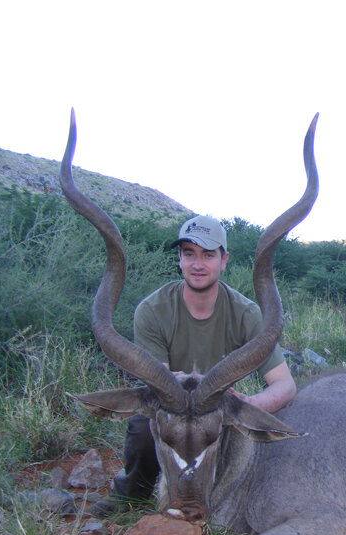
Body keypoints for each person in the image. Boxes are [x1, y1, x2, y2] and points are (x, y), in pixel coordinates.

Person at [92, 215, 297, 516]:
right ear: (179, 259)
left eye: (207, 255)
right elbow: (160, 387)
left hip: (216, 418)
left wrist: (248, 405)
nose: (197, 264)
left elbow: (285, 384)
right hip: (174, 414)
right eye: (189, 254)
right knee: (142, 428)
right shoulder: (152, 310)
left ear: (223, 260)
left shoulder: (247, 314)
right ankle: (132, 493)